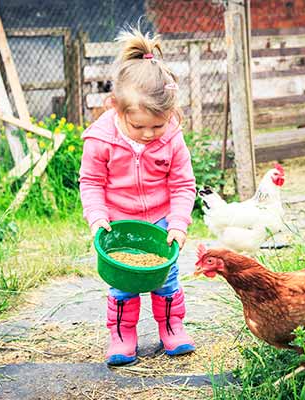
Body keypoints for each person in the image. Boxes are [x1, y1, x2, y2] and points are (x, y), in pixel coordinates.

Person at [79, 27, 196, 366]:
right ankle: (121, 335)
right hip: (119, 225)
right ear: (115, 108)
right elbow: (90, 182)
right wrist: (98, 217)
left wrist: (178, 223)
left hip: (160, 222)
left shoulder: (172, 138)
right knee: (122, 285)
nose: (149, 135)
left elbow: (182, 184)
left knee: (167, 279)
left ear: (170, 114)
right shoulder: (100, 140)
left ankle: (172, 327)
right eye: (139, 127)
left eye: (157, 127)